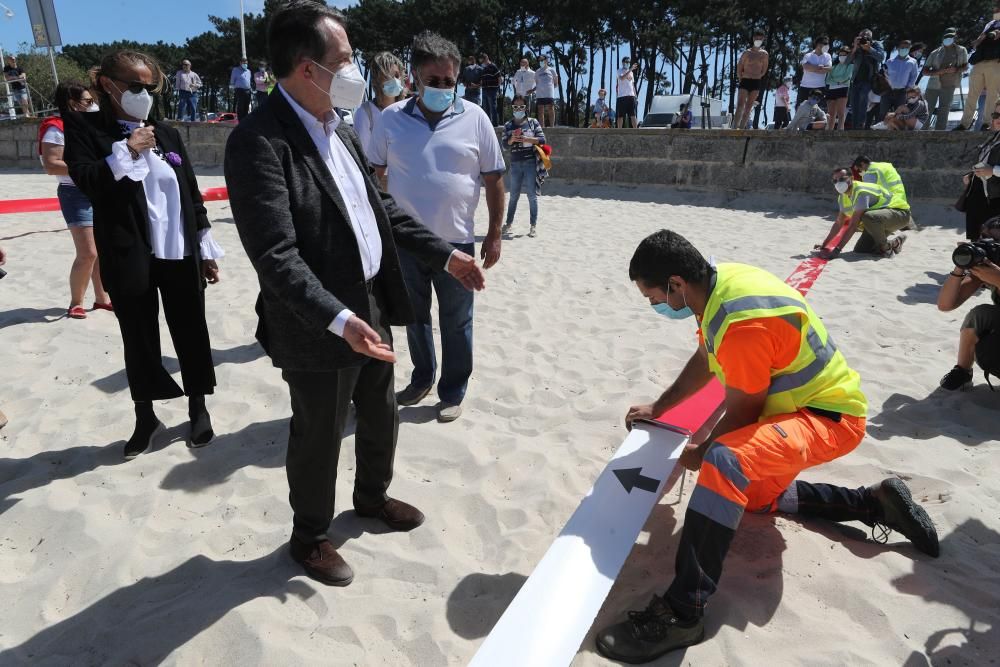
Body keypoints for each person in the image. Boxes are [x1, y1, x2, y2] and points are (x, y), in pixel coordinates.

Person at [225, 2, 486, 586]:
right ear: (305, 67)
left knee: (379, 413)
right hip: (317, 319)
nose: (356, 73)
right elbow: (274, 255)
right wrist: (338, 319)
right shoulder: (258, 142)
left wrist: (446, 252)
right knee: (318, 433)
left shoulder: (337, 128)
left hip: (368, 301)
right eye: (343, 61)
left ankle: (371, 499)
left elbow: (382, 209)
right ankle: (310, 537)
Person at [595, 230, 939, 663]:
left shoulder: (740, 322)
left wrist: (698, 454)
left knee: (725, 460)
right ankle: (873, 504)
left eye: (652, 297)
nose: (653, 305)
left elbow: (741, 414)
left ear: (676, 284)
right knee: (751, 499)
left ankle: (683, 612)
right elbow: (707, 359)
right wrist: (660, 407)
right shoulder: (719, 285)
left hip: (828, 419)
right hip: (797, 411)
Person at [64, 49, 223, 459]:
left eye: (148, 87)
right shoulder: (85, 127)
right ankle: (145, 415)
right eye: (134, 86)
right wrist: (128, 149)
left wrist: (204, 246)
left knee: (190, 327)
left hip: (178, 249)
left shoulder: (166, 133)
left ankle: (198, 406)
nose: (143, 93)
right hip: (127, 250)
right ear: (108, 84)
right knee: (137, 334)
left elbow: (190, 190)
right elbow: (87, 181)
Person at [370, 30, 506, 424]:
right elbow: (375, 168)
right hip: (406, 244)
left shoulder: (476, 118)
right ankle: (421, 379)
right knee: (414, 317)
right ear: (414, 77)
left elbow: (494, 177)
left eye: (450, 81)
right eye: (435, 81)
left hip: (458, 243)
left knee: (457, 322)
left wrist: (494, 233)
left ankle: (452, 390)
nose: (443, 88)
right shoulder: (391, 119)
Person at [39, 81, 112, 320]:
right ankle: (76, 303)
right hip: (75, 193)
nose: (93, 106)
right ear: (72, 103)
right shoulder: (56, 127)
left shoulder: (89, 126)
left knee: (100, 250)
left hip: (97, 191)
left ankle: (101, 299)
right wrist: (90, 168)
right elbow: (51, 165)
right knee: (88, 252)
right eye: (88, 102)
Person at [937, 216, 1000, 390]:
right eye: (986, 239)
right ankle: (963, 371)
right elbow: (945, 305)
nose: (990, 245)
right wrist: (960, 266)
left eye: (996, 242)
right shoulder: (988, 269)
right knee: (979, 314)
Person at [818, 167, 910, 259]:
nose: (838, 183)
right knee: (861, 249)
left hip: (900, 213)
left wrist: (837, 250)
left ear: (852, 178)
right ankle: (896, 243)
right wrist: (824, 245)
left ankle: (886, 249)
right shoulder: (842, 197)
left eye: (842, 179)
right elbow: (838, 223)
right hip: (880, 220)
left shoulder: (861, 192)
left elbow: (853, 225)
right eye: (835, 181)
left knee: (868, 217)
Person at [501, 95, 545, 237]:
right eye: (515, 107)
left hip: (530, 163)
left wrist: (527, 139)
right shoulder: (508, 125)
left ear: (526, 108)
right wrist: (511, 139)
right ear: (512, 108)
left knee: (532, 195)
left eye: (521, 106)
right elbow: (504, 146)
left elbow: (542, 140)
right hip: (515, 164)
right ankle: (508, 224)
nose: (518, 109)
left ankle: (533, 226)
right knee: (513, 196)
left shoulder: (533, 122)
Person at [354, 51, 406, 164]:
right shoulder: (365, 113)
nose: (395, 81)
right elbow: (364, 157)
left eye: (396, 75)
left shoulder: (408, 111)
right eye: (387, 76)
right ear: (377, 80)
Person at [955, 8, 1000, 131]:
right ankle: (964, 124)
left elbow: (996, 35)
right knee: (972, 94)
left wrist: (996, 34)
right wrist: (979, 40)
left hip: (996, 62)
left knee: (993, 94)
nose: (997, 11)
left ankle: (987, 123)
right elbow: (979, 39)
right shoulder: (990, 23)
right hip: (980, 61)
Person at [959, 109, 1000, 239]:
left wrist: (993, 171)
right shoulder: (993, 138)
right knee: (978, 242)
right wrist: (971, 175)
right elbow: (985, 161)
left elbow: (991, 168)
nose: (998, 118)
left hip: (996, 198)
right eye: (996, 115)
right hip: (981, 196)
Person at [923, 28, 969, 131]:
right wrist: (938, 72)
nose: (948, 39)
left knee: (944, 110)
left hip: (950, 85)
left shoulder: (961, 50)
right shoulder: (935, 52)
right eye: (946, 37)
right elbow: (924, 71)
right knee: (927, 109)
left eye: (951, 37)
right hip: (933, 85)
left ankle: (939, 134)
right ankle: (923, 132)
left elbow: (965, 67)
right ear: (943, 38)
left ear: (955, 37)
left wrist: (956, 69)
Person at [846, 29, 886, 129]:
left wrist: (869, 48)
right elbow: (847, 62)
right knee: (854, 104)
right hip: (856, 80)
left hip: (869, 79)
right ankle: (855, 128)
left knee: (863, 97)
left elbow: (881, 57)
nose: (864, 37)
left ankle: (861, 125)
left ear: (871, 37)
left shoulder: (876, 44)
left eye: (867, 35)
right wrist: (855, 47)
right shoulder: (857, 46)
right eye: (862, 35)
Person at [733, 30, 769, 131]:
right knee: (740, 105)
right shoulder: (747, 53)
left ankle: (742, 128)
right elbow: (739, 67)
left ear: (763, 40)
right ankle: (734, 128)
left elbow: (764, 69)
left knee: (749, 107)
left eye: (761, 39)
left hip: (756, 82)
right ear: (753, 39)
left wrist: (758, 76)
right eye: (757, 38)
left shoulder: (764, 54)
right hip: (745, 80)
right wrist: (741, 77)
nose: (758, 40)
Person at [880, 40, 919, 119]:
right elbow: (884, 74)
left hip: (902, 92)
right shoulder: (890, 61)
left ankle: (896, 131)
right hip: (888, 91)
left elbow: (914, 76)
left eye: (907, 48)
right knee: (883, 113)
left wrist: (909, 87)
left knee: (899, 114)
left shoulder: (913, 62)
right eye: (902, 47)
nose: (904, 49)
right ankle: (879, 130)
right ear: (898, 48)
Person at [825, 46, 854, 130]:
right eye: (840, 55)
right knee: (831, 113)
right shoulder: (834, 65)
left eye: (844, 55)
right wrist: (838, 81)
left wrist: (836, 80)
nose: (841, 56)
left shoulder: (850, 65)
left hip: (843, 89)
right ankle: (829, 131)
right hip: (831, 90)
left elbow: (846, 77)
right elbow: (828, 80)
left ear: (848, 55)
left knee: (841, 113)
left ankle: (840, 131)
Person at [797, 37, 831, 107]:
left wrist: (812, 68)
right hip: (805, 87)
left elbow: (828, 69)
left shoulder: (827, 56)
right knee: (804, 111)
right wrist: (820, 67)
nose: (827, 46)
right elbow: (806, 67)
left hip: (820, 87)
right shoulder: (808, 55)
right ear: (818, 44)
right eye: (825, 44)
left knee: (819, 113)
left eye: (827, 44)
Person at [534, 54, 559, 128]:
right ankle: (542, 127)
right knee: (540, 110)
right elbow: (536, 82)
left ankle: (552, 126)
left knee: (550, 108)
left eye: (542, 60)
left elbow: (556, 82)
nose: (540, 62)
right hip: (540, 94)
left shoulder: (552, 70)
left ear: (546, 60)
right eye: (539, 60)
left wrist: (550, 88)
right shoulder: (537, 71)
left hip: (549, 93)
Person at [478, 52, 501, 125]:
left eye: (483, 61)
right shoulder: (482, 68)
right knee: (485, 107)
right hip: (484, 89)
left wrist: (497, 89)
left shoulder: (493, 66)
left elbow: (499, 78)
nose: (482, 62)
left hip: (492, 90)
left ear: (487, 58)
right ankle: (487, 123)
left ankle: (495, 124)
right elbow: (482, 79)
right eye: (481, 61)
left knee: (493, 107)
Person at [616, 56, 639, 128]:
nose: (628, 63)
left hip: (631, 96)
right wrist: (630, 69)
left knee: (633, 115)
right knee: (620, 116)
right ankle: (619, 131)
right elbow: (622, 78)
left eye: (629, 62)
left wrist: (636, 96)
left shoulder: (631, 73)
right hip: (622, 96)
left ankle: (636, 131)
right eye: (626, 62)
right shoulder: (619, 70)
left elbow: (632, 85)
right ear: (623, 63)